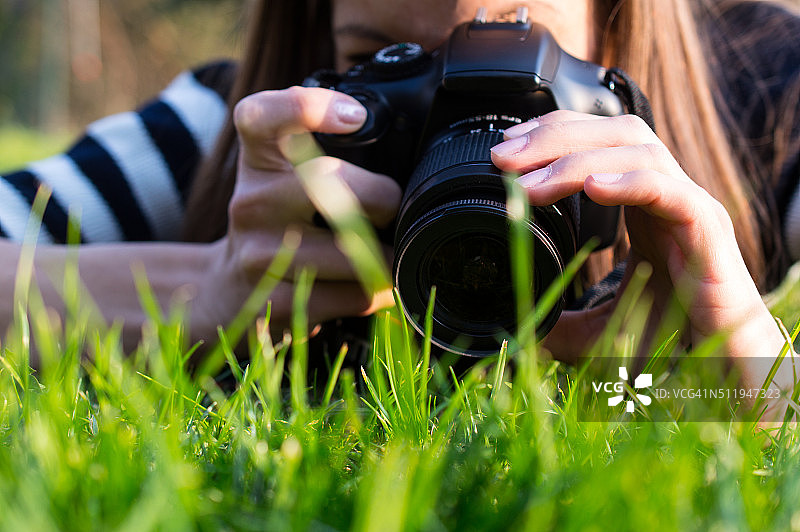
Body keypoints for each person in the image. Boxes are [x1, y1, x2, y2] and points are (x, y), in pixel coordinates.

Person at [1, 0, 798, 401]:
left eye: (517, 41)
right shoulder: (238, 132)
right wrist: (207, 289)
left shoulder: (767, 97)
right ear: (316, 54)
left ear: (617, 44)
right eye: (386, 61)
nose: (464, 120)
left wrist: (757, 381)